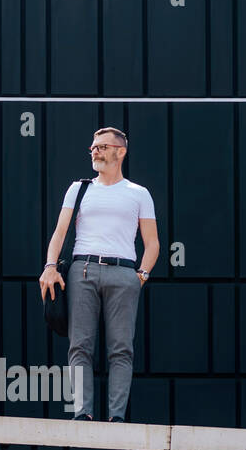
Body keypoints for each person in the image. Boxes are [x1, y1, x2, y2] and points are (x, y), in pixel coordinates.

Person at [38, 127, 160, 422]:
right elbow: (60, 231)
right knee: (80, 345)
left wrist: (140, 276)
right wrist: (50, 266)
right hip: (83, 269)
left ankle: (116, 417)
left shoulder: (138, 193)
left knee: (121, 349)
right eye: (93, 147)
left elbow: (153, 242)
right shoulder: (79, 189)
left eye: (103, 147)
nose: (95, 151)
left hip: (124, 272)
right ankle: (83, 414)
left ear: (121, 152)